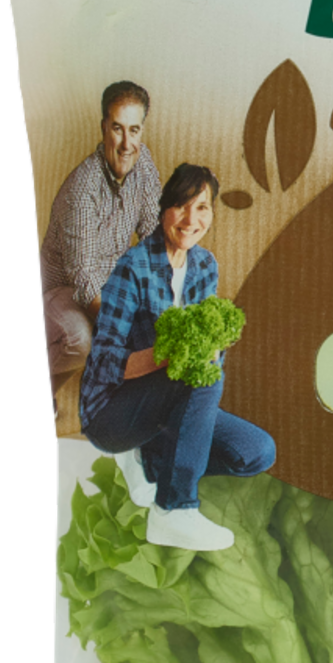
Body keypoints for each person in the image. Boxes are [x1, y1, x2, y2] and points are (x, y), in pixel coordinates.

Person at [80, 163, 276, 552]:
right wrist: (169, 356)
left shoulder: (204, 265)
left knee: (256, 452)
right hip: (111, 413)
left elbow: (204, 342)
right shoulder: (132, 268)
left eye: (201, 207)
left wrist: (208, 349)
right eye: (181, 205)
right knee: (200, 373)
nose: (190, 219)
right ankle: (172, 509)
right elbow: (103, 363)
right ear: (164, 209)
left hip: (166, 407)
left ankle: (151, 459)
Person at [40, 80, 163, 391]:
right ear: (104, 127)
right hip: (61, 290)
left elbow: (154, 237)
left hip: (109, 282)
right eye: (118, 129)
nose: (126, 144)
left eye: (134, 130)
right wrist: (127, 328)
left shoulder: (143, 163)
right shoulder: (82, 189)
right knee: (81, 339)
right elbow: (83, 279)